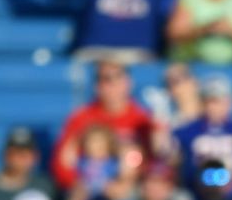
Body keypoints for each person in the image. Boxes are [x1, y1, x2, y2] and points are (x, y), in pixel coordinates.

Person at [52, 61, 156, 190]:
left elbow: (154, 162)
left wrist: (127, 184)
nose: (112, 84)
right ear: (96, 86)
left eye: (118, 76)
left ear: (128, 82)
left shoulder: (143, 119)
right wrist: (93, 186)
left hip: (134, 190)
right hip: (88, 190)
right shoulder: (81, 119)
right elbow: (62, 165)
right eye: (105, 79)